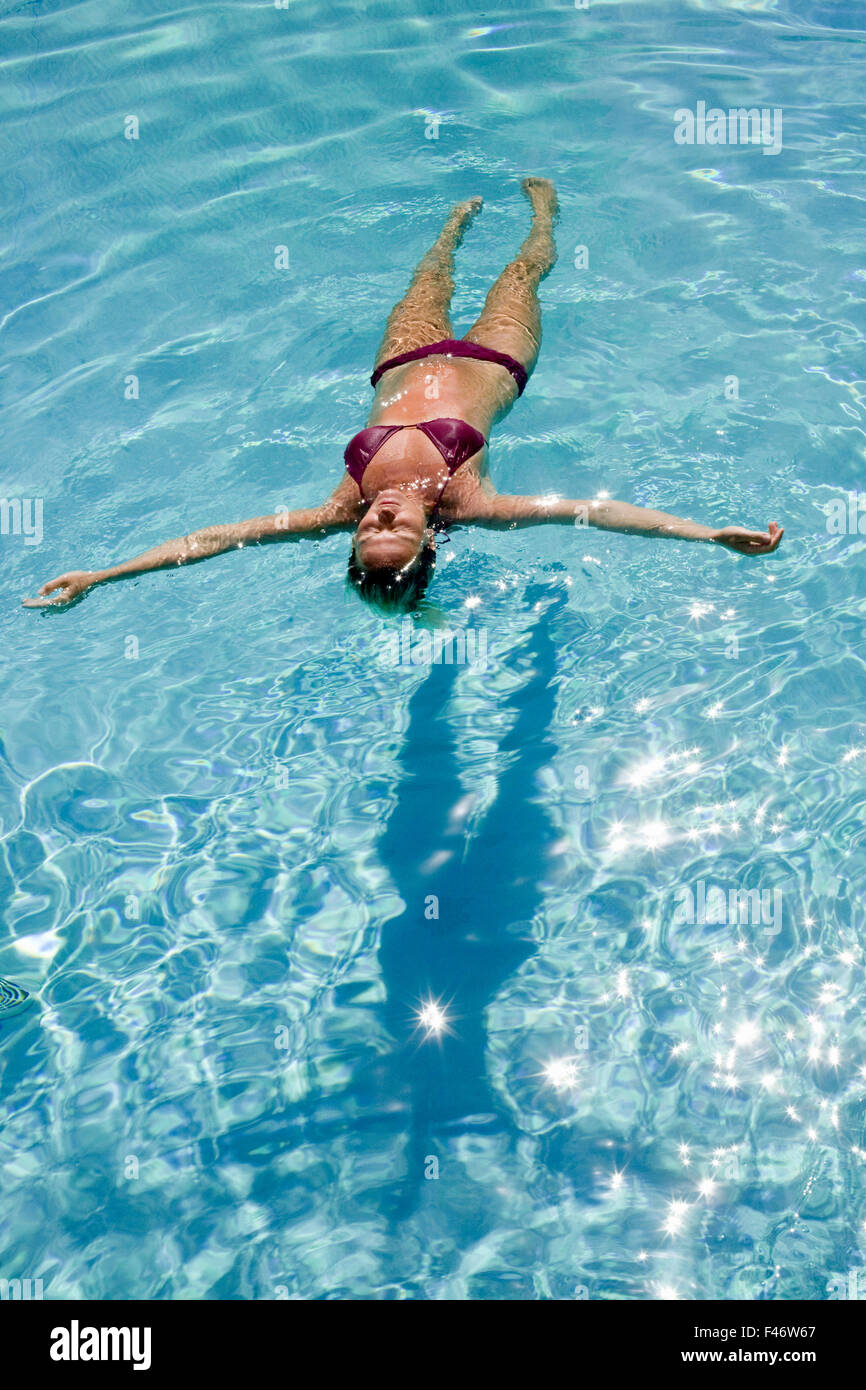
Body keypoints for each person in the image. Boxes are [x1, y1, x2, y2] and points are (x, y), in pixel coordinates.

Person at [23, 178, 783, 613]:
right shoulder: (472, 503)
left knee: (427, 278)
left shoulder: (337, 504)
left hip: (401, 359)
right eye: (397, 530)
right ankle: (544, 213)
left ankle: (454, 223)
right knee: (522, 276)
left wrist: (103, 574)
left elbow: (215, 539)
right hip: (496, 359)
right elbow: (598, 514)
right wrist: (705, 534)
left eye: (369, 531)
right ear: (428, 541)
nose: (382, 515)